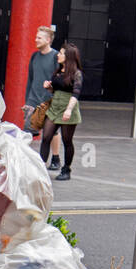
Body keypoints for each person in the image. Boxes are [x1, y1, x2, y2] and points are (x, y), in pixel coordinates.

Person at [39, 42, 83, 181]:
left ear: (68, 56)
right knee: (46, 137)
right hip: (54, 108)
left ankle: (66, 169)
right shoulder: (58, 71)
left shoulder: (77, 74)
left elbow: (75, 94)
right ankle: (40, 168)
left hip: (68, 107)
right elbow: (56, 90)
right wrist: (49, 88)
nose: (58, 55)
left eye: (61, 53)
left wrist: (69, 110)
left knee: (67, 140)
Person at [23, 24, 62, 169]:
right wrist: (27, 100)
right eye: (36, 37)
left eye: (39, 37)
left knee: (51, 132)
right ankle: (26, 159)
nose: (36, 40)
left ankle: (56, 159)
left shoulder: (55, 57)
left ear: (48, 40)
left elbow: (59, 80)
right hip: (33, 101)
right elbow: (31, 79)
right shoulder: (34, 56)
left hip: (49, 101)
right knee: (28, 132)